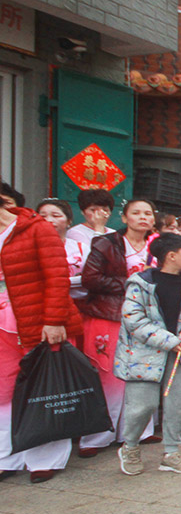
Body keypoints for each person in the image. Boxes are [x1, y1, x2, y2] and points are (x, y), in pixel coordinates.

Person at [0, 182, 83, 483]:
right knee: (3, 390)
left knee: (45, 387)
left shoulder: (36, 229)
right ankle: (6, 456)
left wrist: (54, 319)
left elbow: (57, 277)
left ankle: (45, 458)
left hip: (38, 320)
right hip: (2, 322)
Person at [115, 233, 181, 476]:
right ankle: (130, 447)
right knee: (141, 406)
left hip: (179, 355)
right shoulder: (140, 283)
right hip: (144, 356)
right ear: (171, 256)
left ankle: (171, 452)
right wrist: (171, 340)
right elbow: (133, 320)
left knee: (177, 405)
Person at [79, 198, 159, 455]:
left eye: (147, 213)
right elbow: (90, 278)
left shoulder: (158, 246)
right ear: (123, 218)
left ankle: (137, 432)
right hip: (109, 314)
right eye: (136, 213)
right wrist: (131, 284)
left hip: (146, 318)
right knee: (107, 375)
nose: (142, 217)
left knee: (141, 373)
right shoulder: (107, 243)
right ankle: (95, 437)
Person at [36, 199, 87, 302]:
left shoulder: (81, 248)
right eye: (43, 216)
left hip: (79, 303)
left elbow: (92, 277)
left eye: (56, 216)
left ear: (69, 221)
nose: (49, 220)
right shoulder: (29, 248)